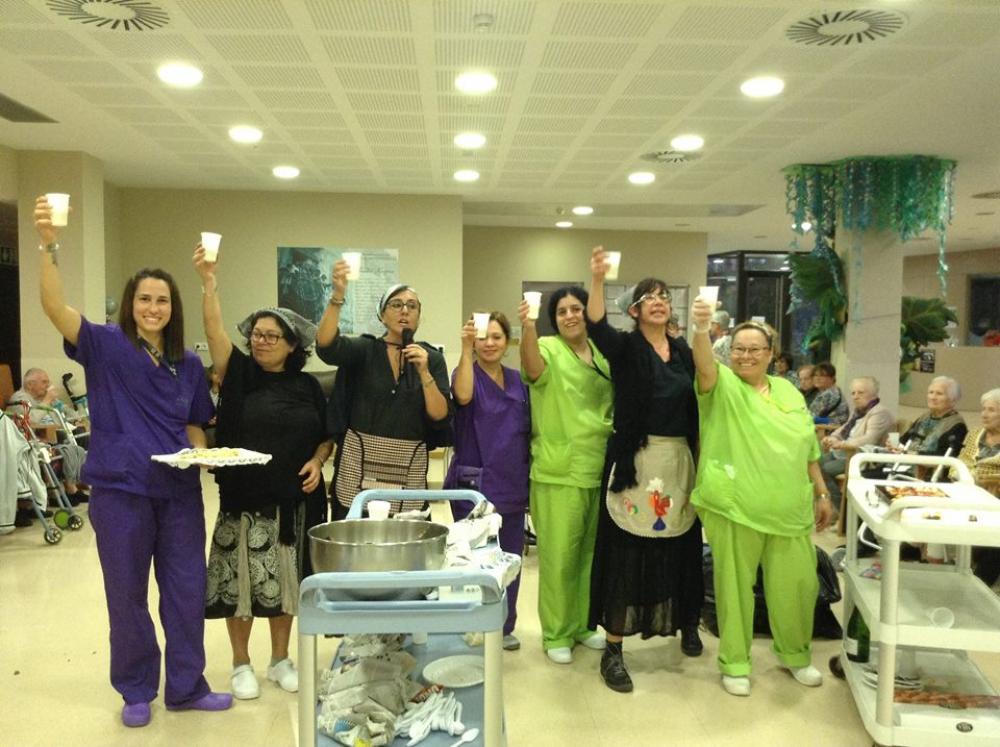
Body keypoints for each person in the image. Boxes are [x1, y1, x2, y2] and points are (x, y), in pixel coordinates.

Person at [33, 195, 232, 727]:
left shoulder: (186, 362)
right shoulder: (104, 344)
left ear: (173, 307)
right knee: (127, 596)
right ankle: (137, 688)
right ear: (131, 302)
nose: (153, 308)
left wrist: (201, 454)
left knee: (186, 592)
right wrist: (49, 245)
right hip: (121, 491)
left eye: (162, 300)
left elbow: (195, 422)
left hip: (178, 494)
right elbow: (54, 307)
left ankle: (186, 686)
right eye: (144, 298)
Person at [194, 247, 333, 700]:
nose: (262, 341)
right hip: (244, 500)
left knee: (285, 583)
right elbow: (214, 330)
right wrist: (209, 281)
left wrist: (318, 460)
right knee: (239, 584)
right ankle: (240, 664)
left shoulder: (308, 385)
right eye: (257, 334)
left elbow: (326, 436)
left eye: (273, 336)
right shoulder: (238, 374)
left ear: (293, 345)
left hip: (294, 501)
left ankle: (279, 660)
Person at [689, 294, 833, 697]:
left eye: (754, 349)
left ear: (771, 354)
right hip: (737, 505)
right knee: (734, 590)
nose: (745, 356)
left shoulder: (789, 392)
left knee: (797, 588)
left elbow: (808, 447)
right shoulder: (722, 384)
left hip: (789, 508)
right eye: (738, 349)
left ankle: (795, 654)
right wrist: (700, 328)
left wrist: (823, 493)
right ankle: (735, 662)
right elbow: (703, 363)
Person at [584, 247, 703, 693]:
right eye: (649, 296)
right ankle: (614, 648)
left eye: (664, 296)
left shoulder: (683, 352)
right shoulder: (625, 348)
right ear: (634, 310)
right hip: (635, 461)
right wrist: (598, 278)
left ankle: (686, 621)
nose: (659, 301)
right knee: (626, 553)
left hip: (677, 460)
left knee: (681, 545)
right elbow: (596, 325)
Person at [519, 284, 613, 665]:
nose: (571, 316)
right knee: (559, 556)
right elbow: (532, 369)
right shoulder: (547, 348)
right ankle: (557, 632)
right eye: (562, 312)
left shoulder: (602, 353)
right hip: (559, 469)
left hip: (599, 465)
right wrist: (527, 326)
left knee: (590, 554)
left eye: (576, 308)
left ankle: (583, 625)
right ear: (553, 320)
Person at [315, 263, 452, 518]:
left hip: (408, 466)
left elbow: (440, 415)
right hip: (358, 463)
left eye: (412, 306)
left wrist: (424, 373)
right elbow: (326, 347)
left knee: (406, 538)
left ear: (419, 316)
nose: (404, 311)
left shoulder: (431, 358)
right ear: (382, 315)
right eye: (396, 304)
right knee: (355, 538)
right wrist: (337, 297)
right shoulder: (364, 349)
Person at [443, 312, 530, 651]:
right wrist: (465, 349)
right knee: (474, 559)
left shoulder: (518, 381)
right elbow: (463, 396)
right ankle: (473, 622)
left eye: (497, 337)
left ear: (507, 342)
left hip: (512, 480)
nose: (489, 343)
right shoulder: (465, 373)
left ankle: (503, 626)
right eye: (483, 337)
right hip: (474, 485)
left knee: (509, 557)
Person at [818, 376, 896, 511]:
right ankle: (833, 507)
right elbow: (844, 429)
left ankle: (841, 510)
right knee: (814, 462)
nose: (855, 396)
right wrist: (831, 438)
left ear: (873, 394)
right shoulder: (859, 412)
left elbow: (869, 439)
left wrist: (842, 444)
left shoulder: (880, 412)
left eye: (860, 393)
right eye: (853, 393)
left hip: (862, 458)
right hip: (844, 453)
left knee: (825, 469)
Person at [895, 376, 967, 457]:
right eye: (931, 392)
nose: (933, 397)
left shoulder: (957, 425)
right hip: (907, 460)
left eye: (939, 394)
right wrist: (895, 447)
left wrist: (912, 454)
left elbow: (945, 456)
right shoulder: (925, 417)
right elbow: (904, 441)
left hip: (929, 464)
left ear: (953, 400)